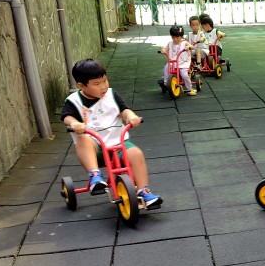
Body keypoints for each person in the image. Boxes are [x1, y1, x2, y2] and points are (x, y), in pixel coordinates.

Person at [61, 59, 162, 209]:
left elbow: (124, 110)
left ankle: (144, 191)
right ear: (82, 86)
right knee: (84, 140)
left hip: (118, 144)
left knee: (136, 154)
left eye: (105, 81)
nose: (103, 86)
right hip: (95, 149)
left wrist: (131, 116)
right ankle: (95, 176)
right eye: (96, 84)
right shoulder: (74, 101)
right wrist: (74, 123)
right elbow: (66, 116)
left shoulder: (111, 95)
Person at [159, 25, 198, 96]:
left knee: (184, 75)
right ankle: (166, 83)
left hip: (183, 62)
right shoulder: (170, 43)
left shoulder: (184, 42)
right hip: (173, 62)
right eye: (173, 37)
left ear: (181, 36)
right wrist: (163, 50)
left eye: (177, 37)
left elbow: (192, 46)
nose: (175, 39)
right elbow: (165, 49)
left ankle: (189, 88)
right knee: (166, 68)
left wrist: (188, 47)